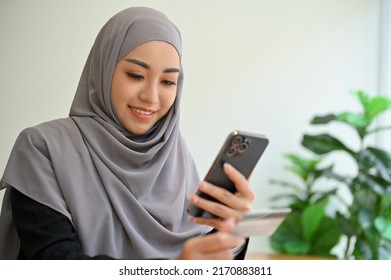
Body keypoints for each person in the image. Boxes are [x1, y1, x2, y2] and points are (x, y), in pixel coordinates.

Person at [0, 6, 254, 260]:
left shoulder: (176, 156)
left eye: (167, 81)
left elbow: (203, 260)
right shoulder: (43, 148)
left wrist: (232, 233)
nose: (151, 97)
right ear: (104, 69)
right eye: (135, 75)